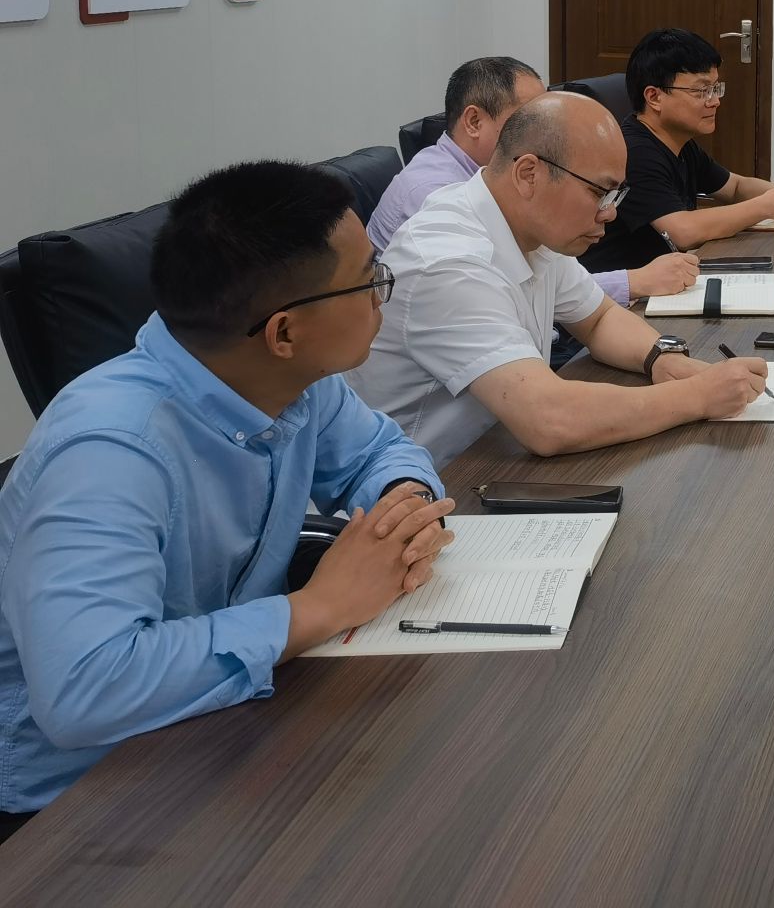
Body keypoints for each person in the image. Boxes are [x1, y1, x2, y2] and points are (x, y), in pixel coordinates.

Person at [0, 162, 456, 834]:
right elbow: (84, 691)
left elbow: (377, 453)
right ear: (284, 332)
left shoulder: (297, 380)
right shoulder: (109, 452)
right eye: (369, 280)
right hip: (82, 802)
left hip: (229, 723)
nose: (381, 294)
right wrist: (319, 607)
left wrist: (403, 507)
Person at [356, 91, 767, 465]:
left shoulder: (532, 225)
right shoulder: (448, 261)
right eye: (600, 192)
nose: (610, 212)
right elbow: (548, 420)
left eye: (617, 195)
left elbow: (598, 318)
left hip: (494, 453)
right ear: (528, 174)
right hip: (429, 487)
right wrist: (697, 396)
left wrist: (662, 358)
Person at [370, 55, 698, 306]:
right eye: (528, 116)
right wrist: (635, 281)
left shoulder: (503, 182)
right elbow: (512, 290)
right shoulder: (435, 196)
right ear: (474, 121)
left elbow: (554, 280)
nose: (545, 128)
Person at [583, 28, 774, 271]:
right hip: (622, 287)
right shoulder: (633, 152)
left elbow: (735, 187)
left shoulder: (679, 143)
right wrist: (765, 206)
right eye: (702, 91)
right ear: (654, 97)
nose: (715, 101)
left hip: (668, 275)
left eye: (715, 88)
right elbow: (683, 231)